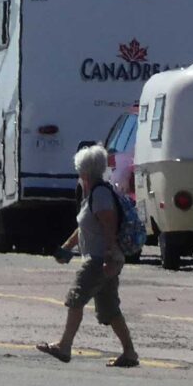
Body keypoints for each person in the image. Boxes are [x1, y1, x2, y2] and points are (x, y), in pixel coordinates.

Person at [37, 143, 138, 369]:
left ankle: (64, 346)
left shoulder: (100, 194)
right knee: (109, 309)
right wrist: (67, 248)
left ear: (84, 171)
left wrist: (109, 255)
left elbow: (109, 224)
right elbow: (84, 227)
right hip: (102, 259)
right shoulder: (93, 194)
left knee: (76, 299)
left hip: (98, 260)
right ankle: (129, 353)